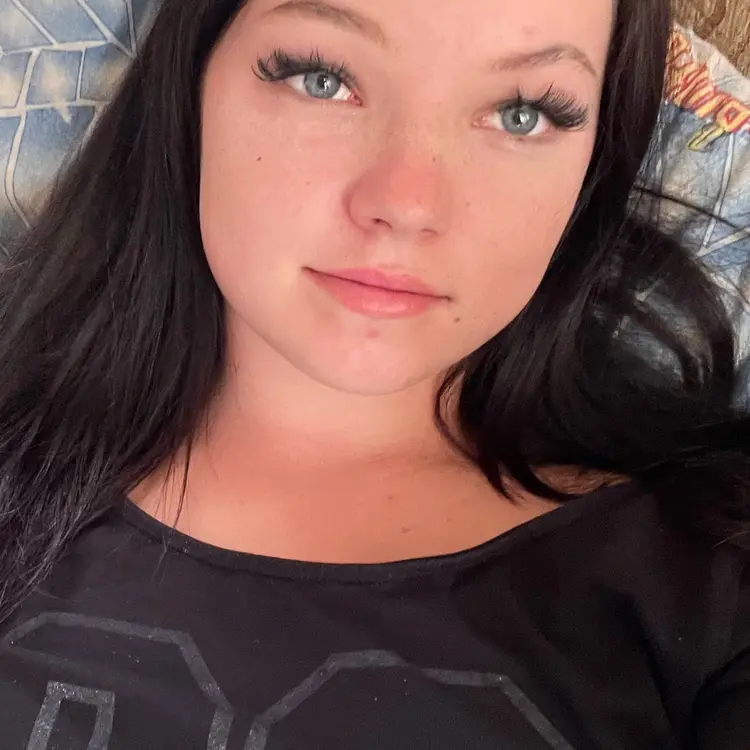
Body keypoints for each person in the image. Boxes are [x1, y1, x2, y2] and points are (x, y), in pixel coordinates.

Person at [0, 0, 748, 746]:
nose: (407, 204)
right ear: (191, 85)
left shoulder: (712, 574)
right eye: (322, 78)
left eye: (522, 115)